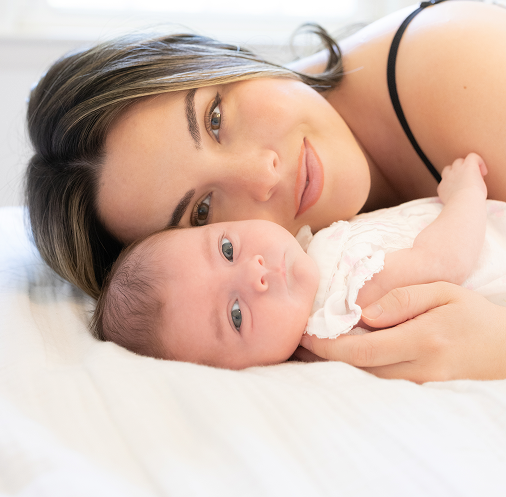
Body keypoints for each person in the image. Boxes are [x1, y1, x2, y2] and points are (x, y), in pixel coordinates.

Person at [25, 0, 506, 381]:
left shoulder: (461, 71)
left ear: (220, 60)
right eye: (203, 212)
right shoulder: (327, 277)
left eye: (214, 119)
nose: (263, 174)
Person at [91, 153, 504, 378]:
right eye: (236, 315)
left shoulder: (315, 255)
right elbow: (445, 261)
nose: (254, 272)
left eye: (228, 250)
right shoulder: (345, 300)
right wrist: (466, 192)